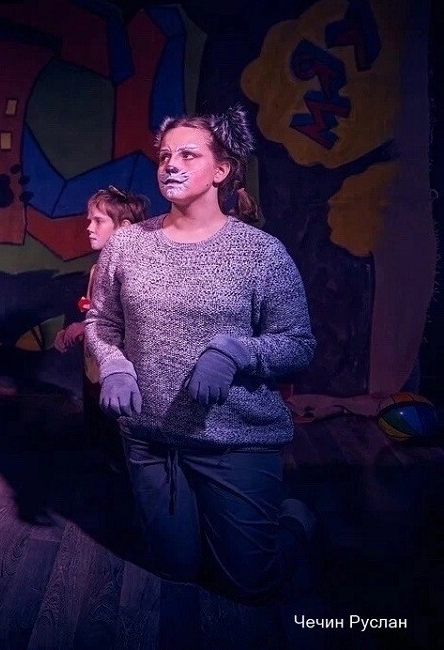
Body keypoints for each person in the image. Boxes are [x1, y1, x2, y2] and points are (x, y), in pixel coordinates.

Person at [85, 106, 317, 604]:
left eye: (188, 155)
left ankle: (294, 520)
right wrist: (114, 364)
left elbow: (298, 343)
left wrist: (235, 351)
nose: (171, 164)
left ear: (222, 169)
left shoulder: (260, 253)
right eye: (165, 156)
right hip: (150, 438)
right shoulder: (127, 245)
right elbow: (101, 322)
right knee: (174, 570)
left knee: (247, 584)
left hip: (234, 439)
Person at [53, 186, 148, 472]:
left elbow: (127, 322)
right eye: (89, 220)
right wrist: (80, 326)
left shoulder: (137, 271)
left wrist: (83, 327)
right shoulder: (99, 268)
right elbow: (99, 313)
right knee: (99, 440)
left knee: (119, 448)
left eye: (98, 221)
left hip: (120, 372)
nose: (89, 227)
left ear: (124, 228)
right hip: (94, 368)